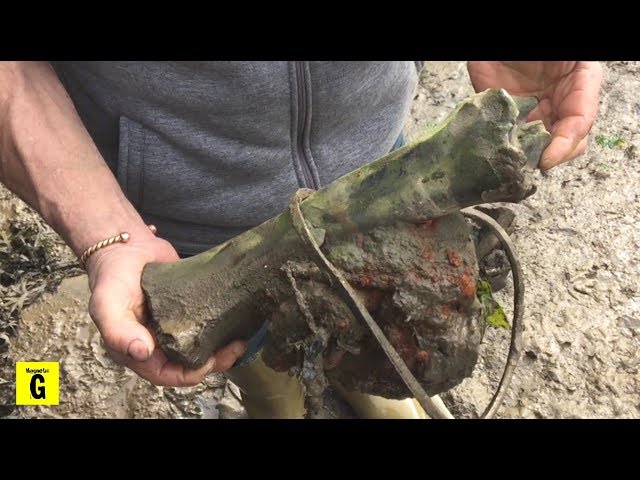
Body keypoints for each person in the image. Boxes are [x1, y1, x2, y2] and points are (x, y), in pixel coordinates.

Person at [0, 61, 603, 418]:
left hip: (381, 169)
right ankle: (277, 392)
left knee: (391, 336)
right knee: (258, 355)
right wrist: (105, 229)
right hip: (198, 223)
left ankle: (375, 386)